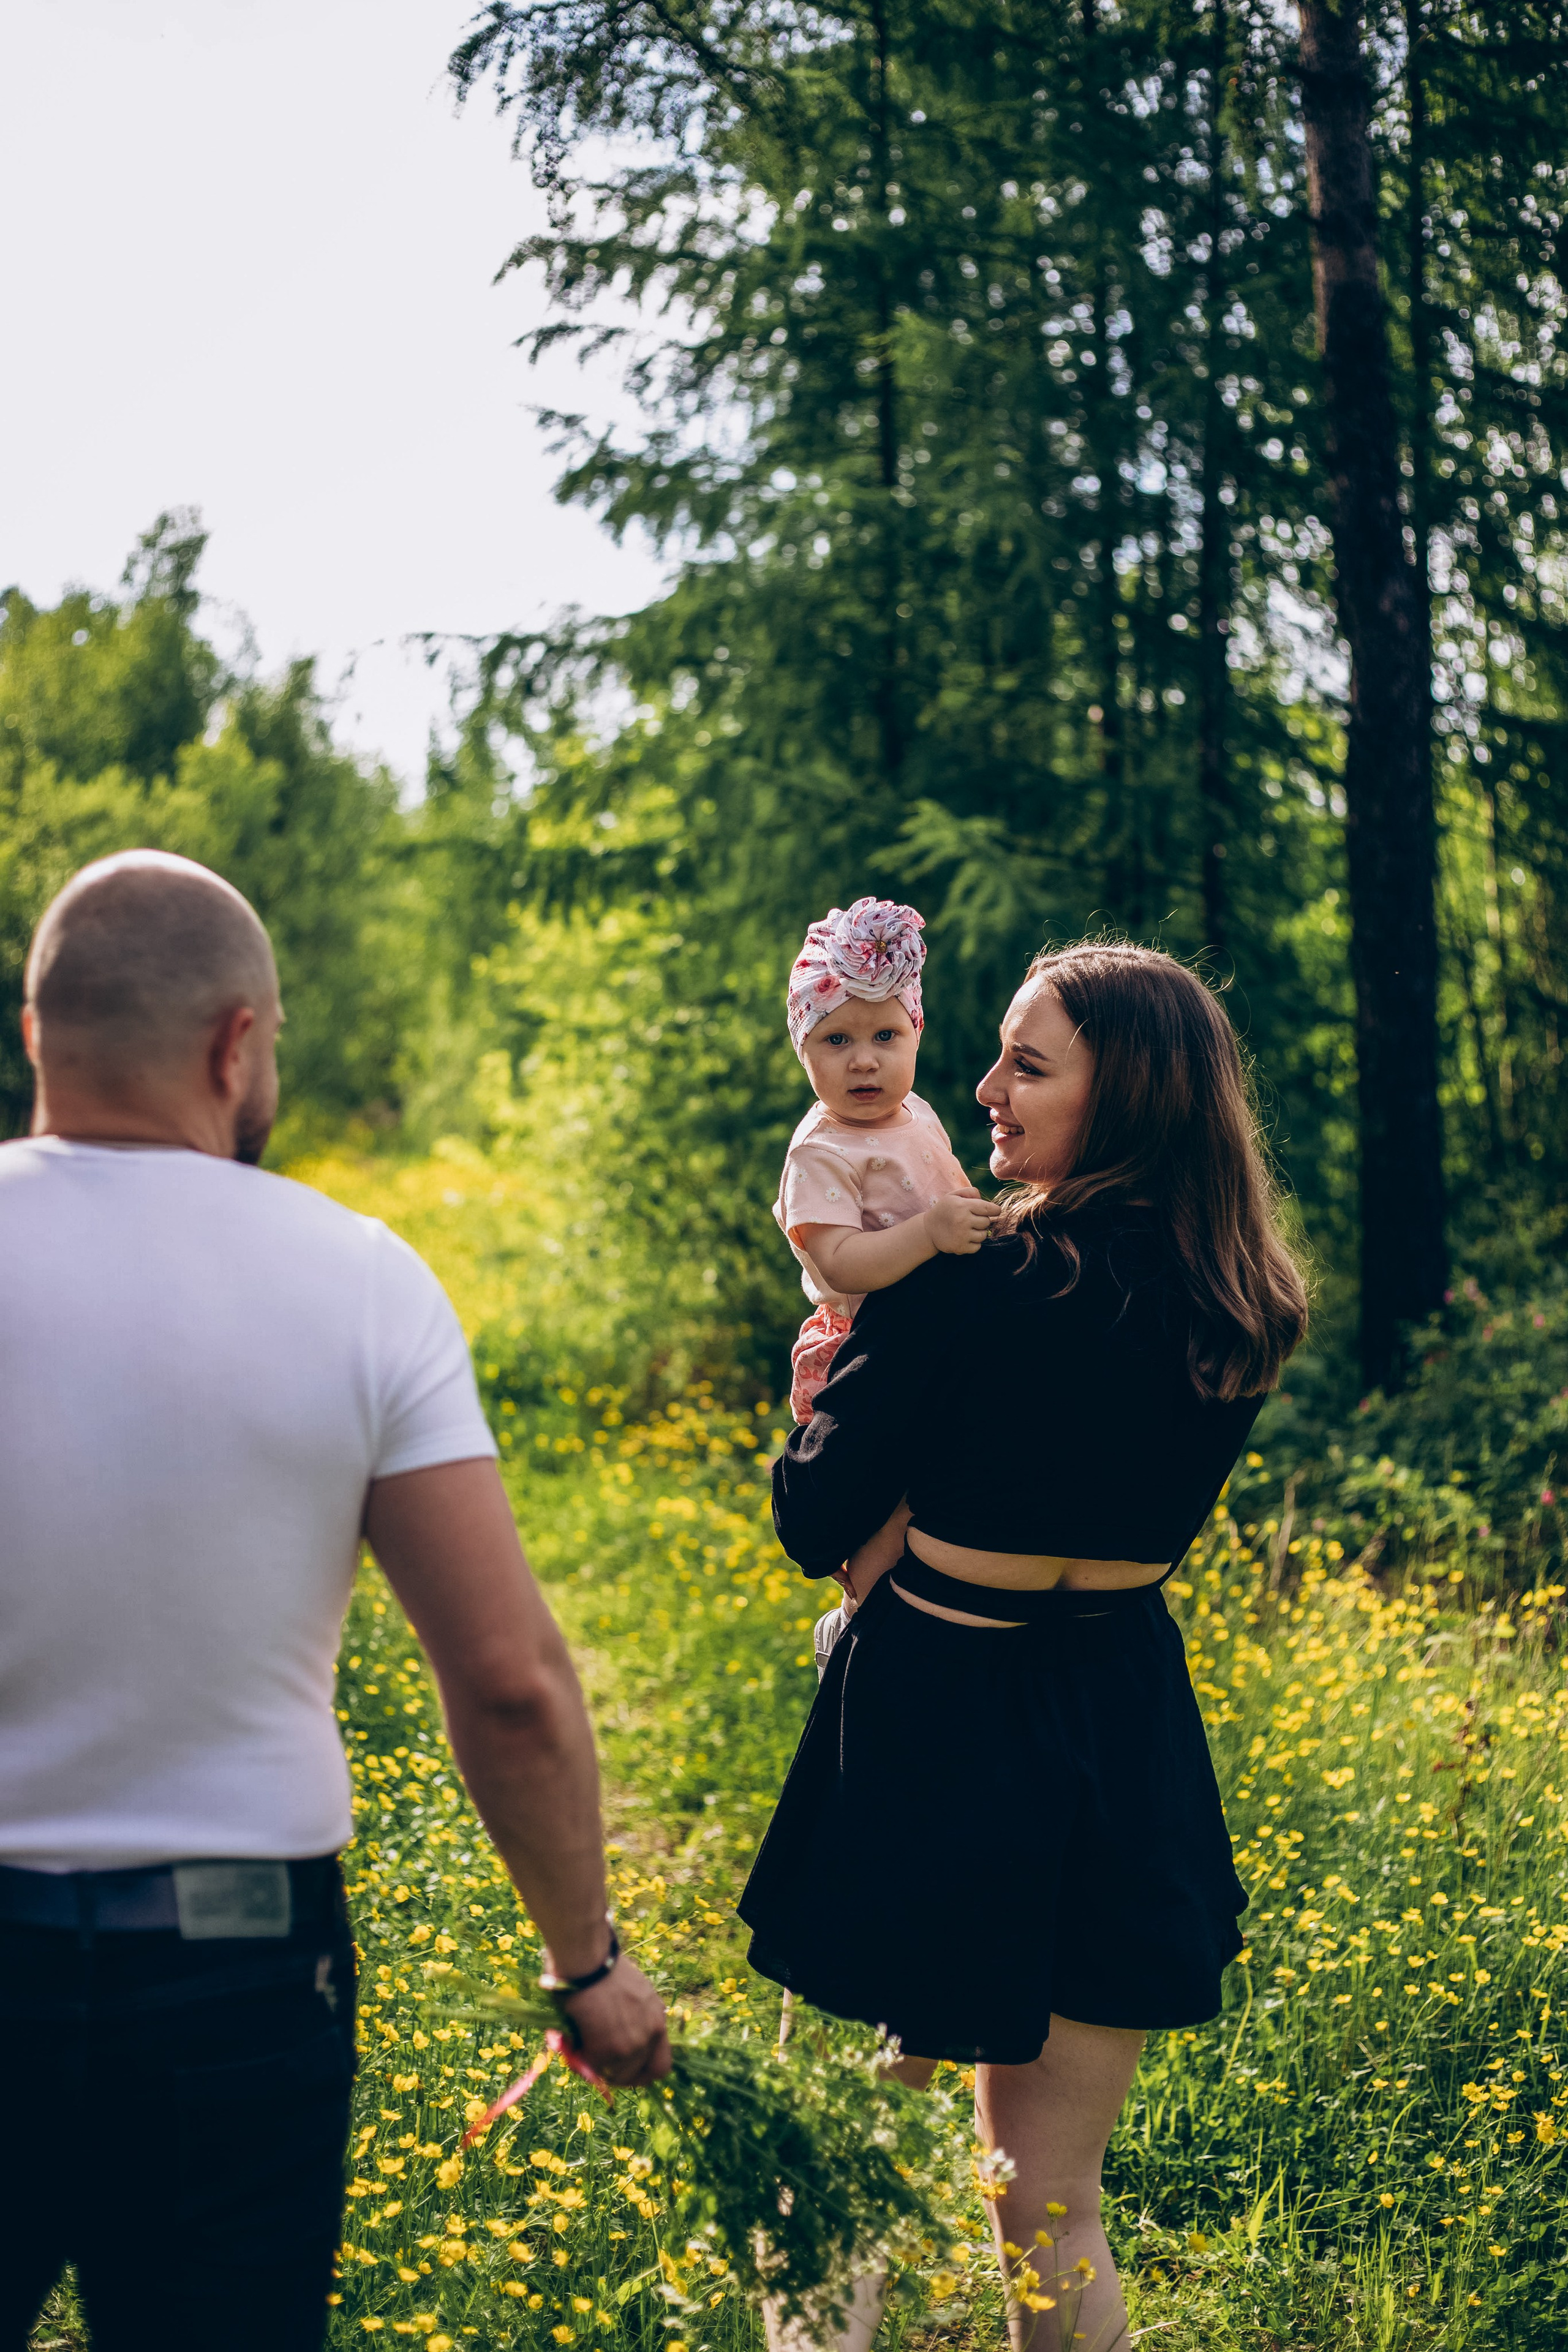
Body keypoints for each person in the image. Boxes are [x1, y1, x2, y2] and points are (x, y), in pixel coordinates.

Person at [0, 851, 669, 2352]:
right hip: (234, 1971)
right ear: (236, 1043)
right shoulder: (355, 1277)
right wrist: (587, 1964)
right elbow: (507, 1678)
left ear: (41, 1031)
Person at [742, 941, 1308, 2351]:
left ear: (1122, 1096)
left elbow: (815, 1508)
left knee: (843, 2146)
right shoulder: (1239, 1302)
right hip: (1117, 1722)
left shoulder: (966, 1281)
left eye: (1026, 1063)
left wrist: (824, 1381)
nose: (982, 1087)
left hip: (933, 1707)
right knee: (1051, 2196)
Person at [777, 897, 993, 1670]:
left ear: (916, 1036)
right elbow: (839, 1262)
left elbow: (946, 1191)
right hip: (853, 1346)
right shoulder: (822, 1152)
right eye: (836, 1039)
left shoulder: (917, 1116)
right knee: (882, 1512)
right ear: (804, 1048)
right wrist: (932, 1236)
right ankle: (856, 1623)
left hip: (923, 1343)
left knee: (935, 1494)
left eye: (884, 1036)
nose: (863, 1060)